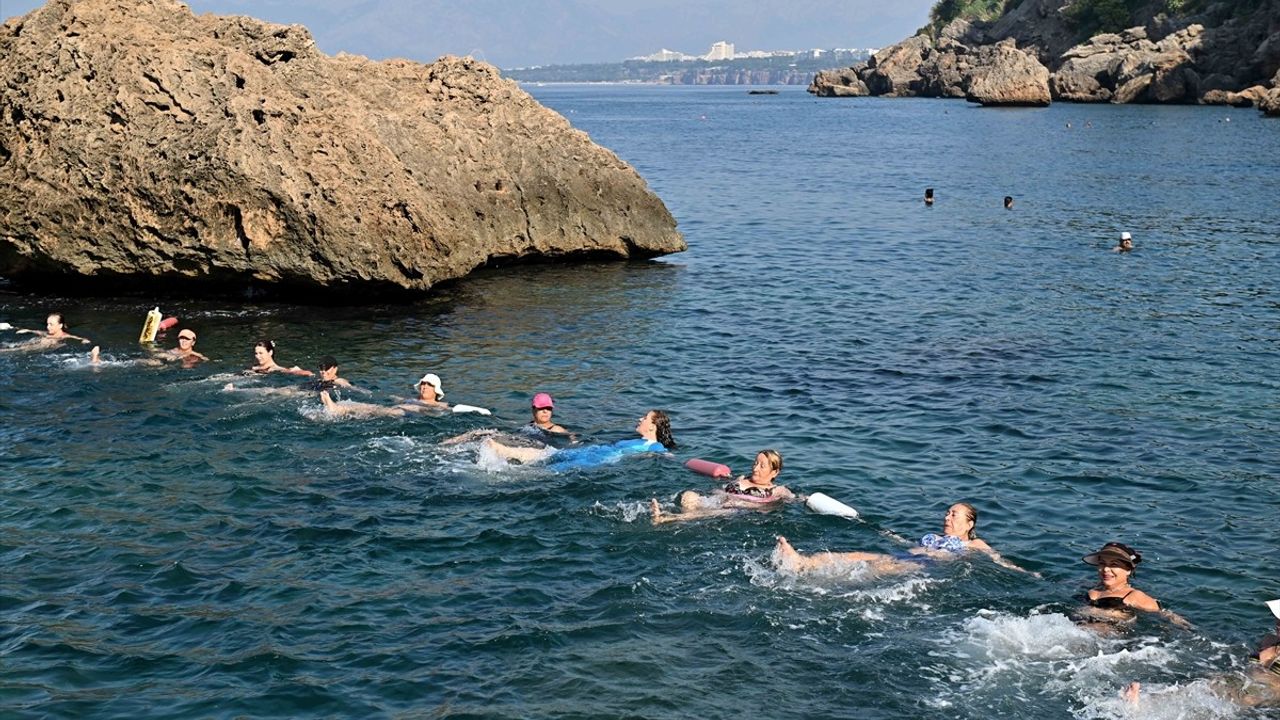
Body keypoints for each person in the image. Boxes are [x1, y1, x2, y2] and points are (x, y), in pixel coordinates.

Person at [774, 502, 1036, 575]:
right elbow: (912, 546)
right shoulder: (934, 538)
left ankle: (811, 577)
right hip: (905, 556)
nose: (947, 517)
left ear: (969, 524)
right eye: (947, 513)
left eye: (954, 514)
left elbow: (997, 559)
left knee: (870, 568)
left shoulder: (974, 543)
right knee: (854, 555)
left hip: (923, 566)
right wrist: (890, 535)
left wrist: (1024, 572)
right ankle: (802, 563)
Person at [1124, 599, 1280, 707]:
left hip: (1262, 695)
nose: (1277, 623)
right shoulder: (1269, 639)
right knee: (1206, 684)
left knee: (1226, 701)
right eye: (1277, 618)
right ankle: (1144, 703)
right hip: (1243, 679)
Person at [479, 409, 673, 469]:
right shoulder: (635, 440)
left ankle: (504, 471)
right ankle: (499, 452)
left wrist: (670, 457)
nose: (640, 419)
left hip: (599, 459)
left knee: (550, 468)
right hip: (594, 452)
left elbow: (664, 454)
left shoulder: (654, 445)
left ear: (652, 426)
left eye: (645, 418)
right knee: (548, 455)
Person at [651, 449, 795, 524]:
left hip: (735, 510)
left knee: (723, 511)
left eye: (762, 466)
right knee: (689, 495)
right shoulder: (742, 478)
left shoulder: (778, 490)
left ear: (775, 472)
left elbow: (796, 499)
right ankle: (683, 521)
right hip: (715, 500)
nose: (755, 468)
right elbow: (722, 487)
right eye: (755, 463)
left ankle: (668, 519)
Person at [1074, 542, 1189, 631]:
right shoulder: (1092, 590)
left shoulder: (1134, 596)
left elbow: (1164, 613)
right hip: (1075, 630)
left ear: (1128, 570)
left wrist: (1188, 629)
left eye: (1114, 564)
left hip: (1105, 640)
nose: (1106, 569)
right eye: (1102, 563)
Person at [2, 312, 91, 352]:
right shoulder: (46, 333)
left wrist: (84, 340)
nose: (48, 327)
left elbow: (75, 337)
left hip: (47, 345)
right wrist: (28, 330)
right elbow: (38, 332)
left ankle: (4, 351)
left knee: (19, 349)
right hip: (36, 342)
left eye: (51, 324)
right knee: (15, 345)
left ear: (60, 325)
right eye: (47, 324)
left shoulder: (63, 336)